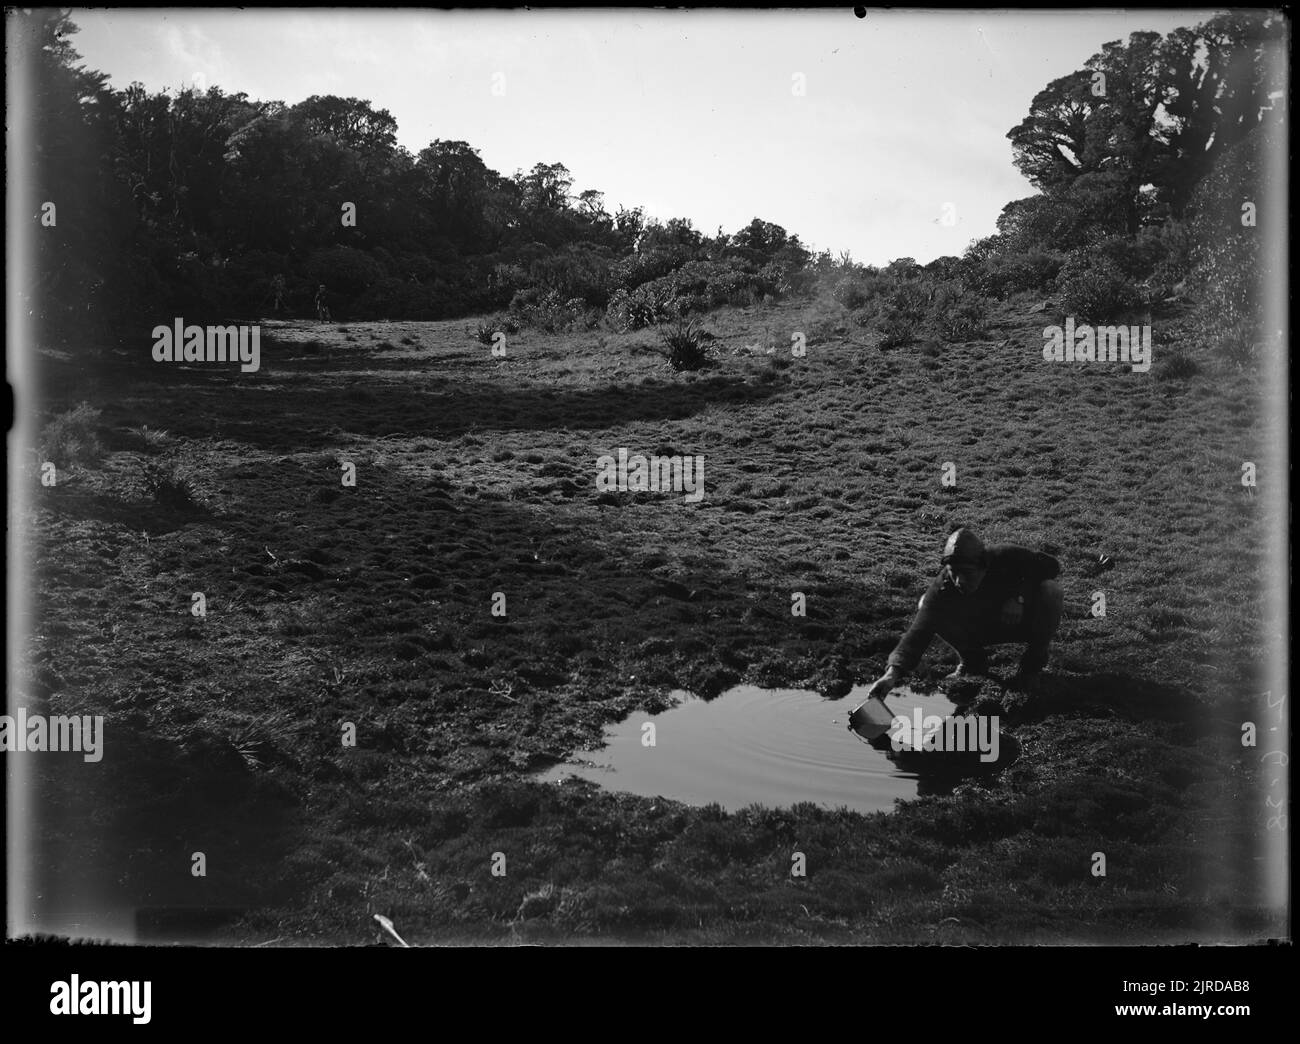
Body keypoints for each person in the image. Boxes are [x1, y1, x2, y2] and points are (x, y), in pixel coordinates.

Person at [862, 527, 1064, 700]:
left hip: (1019, 624)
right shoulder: (945, 585)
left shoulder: (1006, 556)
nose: (958, 581)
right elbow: (918, 632)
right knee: (926, 603)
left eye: (966, 573)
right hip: (978, 629)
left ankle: (1032, 667)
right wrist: (891, 675)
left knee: (1051, 591)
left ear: (983, 565)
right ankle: (972, 661)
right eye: (953, 572)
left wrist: (1019, 597)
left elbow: (1051, 567)